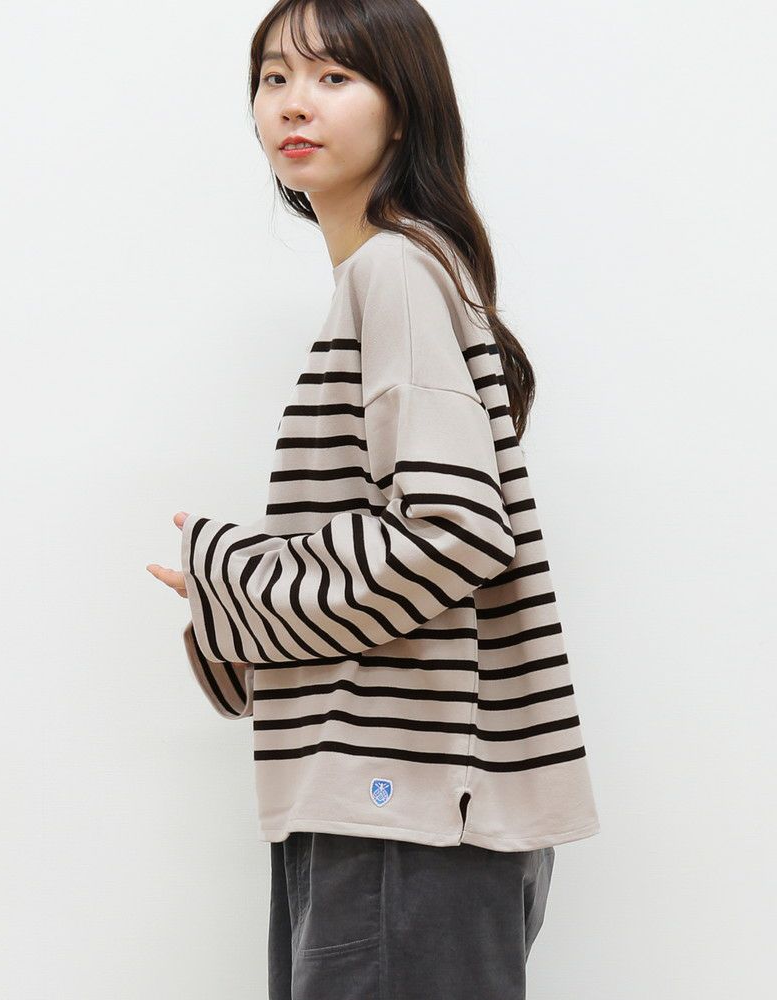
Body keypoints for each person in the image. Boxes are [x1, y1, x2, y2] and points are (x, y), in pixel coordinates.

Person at [147, 2, 600, 997]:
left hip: (400, 815)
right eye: (273, 77)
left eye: (334, 76)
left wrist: (239, 577)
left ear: (404, 110)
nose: (292, 102)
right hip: (399, 808)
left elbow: (455, 533)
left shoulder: (395, 268)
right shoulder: (398, 272)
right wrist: (230, 605)